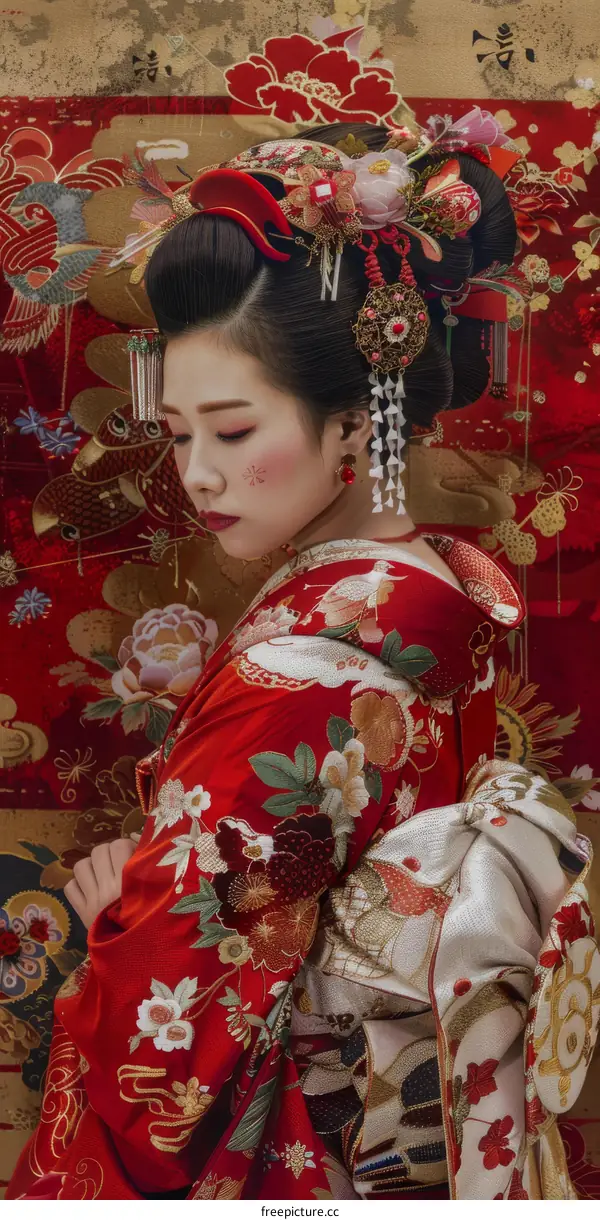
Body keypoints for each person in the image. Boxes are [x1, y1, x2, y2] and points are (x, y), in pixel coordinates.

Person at [7, 118, 599, 1203]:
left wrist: (117, 925)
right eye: (180, 433)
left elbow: (170, 1046)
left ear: (352, 420)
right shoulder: (427, 584)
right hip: (398, 1108)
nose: (197, 473)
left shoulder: (310, 664)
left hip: (310, 1129)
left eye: (231, 430)